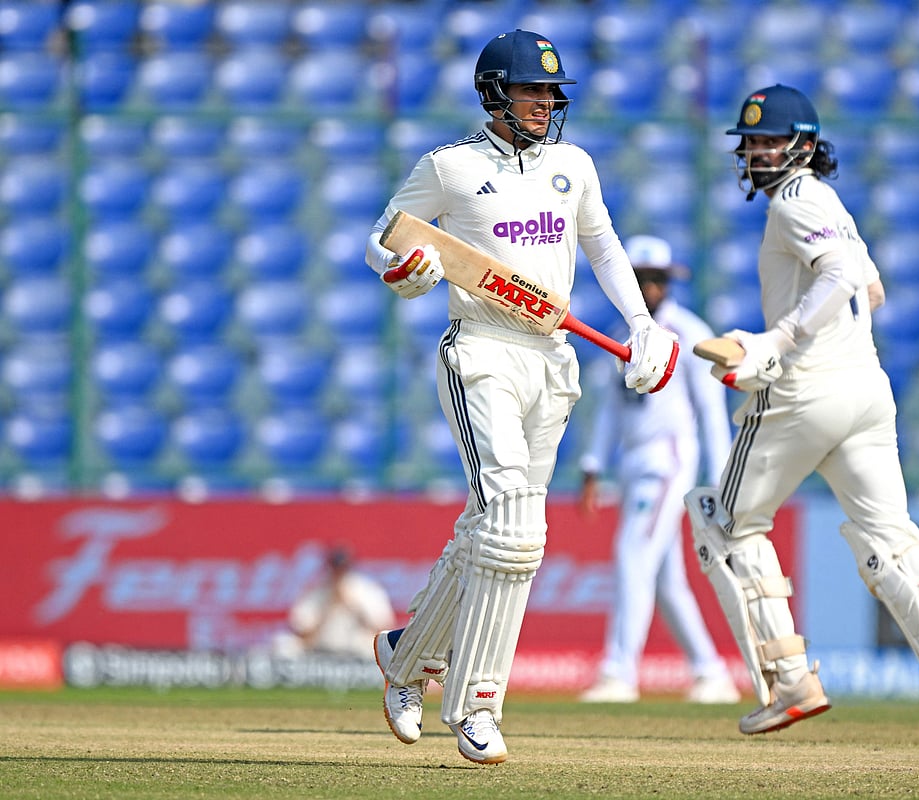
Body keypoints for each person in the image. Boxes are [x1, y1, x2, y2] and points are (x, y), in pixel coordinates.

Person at [364, 30, 678, 765]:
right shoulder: (450, 166)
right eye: (532, 90)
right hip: (480, 349)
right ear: (492, 93)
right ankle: (476, 703)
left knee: (492, 528)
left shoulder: (573, 166)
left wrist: (641, 325)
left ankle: (407, 655)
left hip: (551, 359)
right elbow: (383, 237)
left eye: (551, 93)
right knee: (515, 528)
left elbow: (603, 246)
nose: (545, 103)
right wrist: (404, 266)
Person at [683, 84, 919, 744]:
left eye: (773, 140)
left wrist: (778, 340)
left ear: (805, 144)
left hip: (804, 391)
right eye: (753, 143)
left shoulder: (795, 202)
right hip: (866, 389)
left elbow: (835, 276)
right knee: (889, 537)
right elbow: (871, 288)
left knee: (724, 522)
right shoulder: (831, 205)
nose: (762, 152)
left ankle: (789, 680)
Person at [576, 235, 740, 706]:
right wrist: (592, 466)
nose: (649, 288)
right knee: (666, 579)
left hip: (668, 459)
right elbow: (609, 410)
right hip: (632, 462)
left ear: (669, 282)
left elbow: (711, 411)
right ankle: (710, 674)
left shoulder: (688, 333)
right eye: (641, 278)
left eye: (657, 279)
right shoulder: (620, 335)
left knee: (632, 554)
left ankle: (618, 671)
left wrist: (724, 476)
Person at [275, 545, 395, 660]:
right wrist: (329, 605)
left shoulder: (366, 590)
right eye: (336, 567)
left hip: (357, 650)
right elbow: (303, 633)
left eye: (342, 567)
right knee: (283, 645)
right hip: (320, 649)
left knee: (378, 649)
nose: (339, 572)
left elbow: (383, 629)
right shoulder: (317, 591)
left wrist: (350, 604)